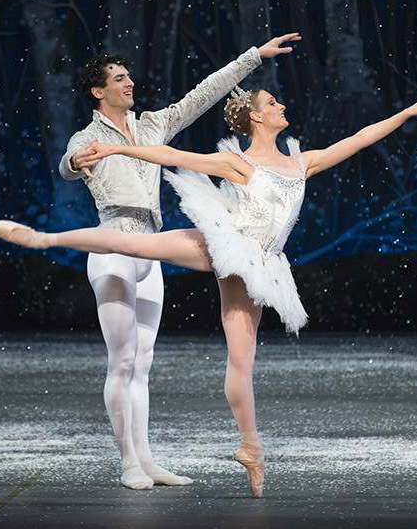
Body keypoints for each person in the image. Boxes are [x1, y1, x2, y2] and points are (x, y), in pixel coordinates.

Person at [0, 84, 417, 497]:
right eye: (272, 103)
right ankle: (44, 239)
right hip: (224, 240)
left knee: (242, 360)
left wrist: (408, 112)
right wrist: (116, 146)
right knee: (135, 241)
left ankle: (250, 448)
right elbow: (170, 154)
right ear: (254, 117)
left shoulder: (302, 162)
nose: (281, 107)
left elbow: (360, 138)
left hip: (258, 264)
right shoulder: (237, 163)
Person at [52, 34, 301, 491]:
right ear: (98, 91)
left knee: (143, 362)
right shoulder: (88, 136)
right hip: (113, 247)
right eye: (120, 79)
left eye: (129, 77)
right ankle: (128, 462)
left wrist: (253, 57)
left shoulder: (152, 125)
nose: (130, 83)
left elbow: (204, 94)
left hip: (152, 247)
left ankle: (146, 460)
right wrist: (73, 160)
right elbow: (69, 163)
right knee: (121, 360)